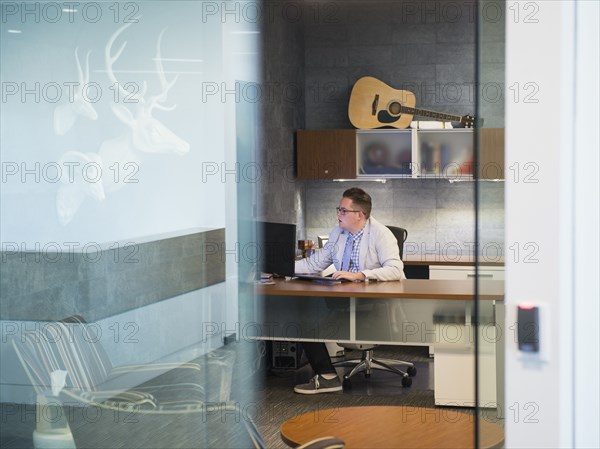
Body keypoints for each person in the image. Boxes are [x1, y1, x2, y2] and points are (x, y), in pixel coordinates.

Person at [293, 187, 405, 394]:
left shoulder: (381, 234)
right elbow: (313, 264)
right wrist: (278, 267)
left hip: (374, 305)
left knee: (308, 323)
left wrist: (361, 274)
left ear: (359, 215)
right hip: (346, 301)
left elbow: (396, 269)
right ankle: (327, 376)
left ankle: (326, 377)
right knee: (303, 317)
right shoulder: (338, 233)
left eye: (343, 211)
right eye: (338, 209)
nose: (338, 214)